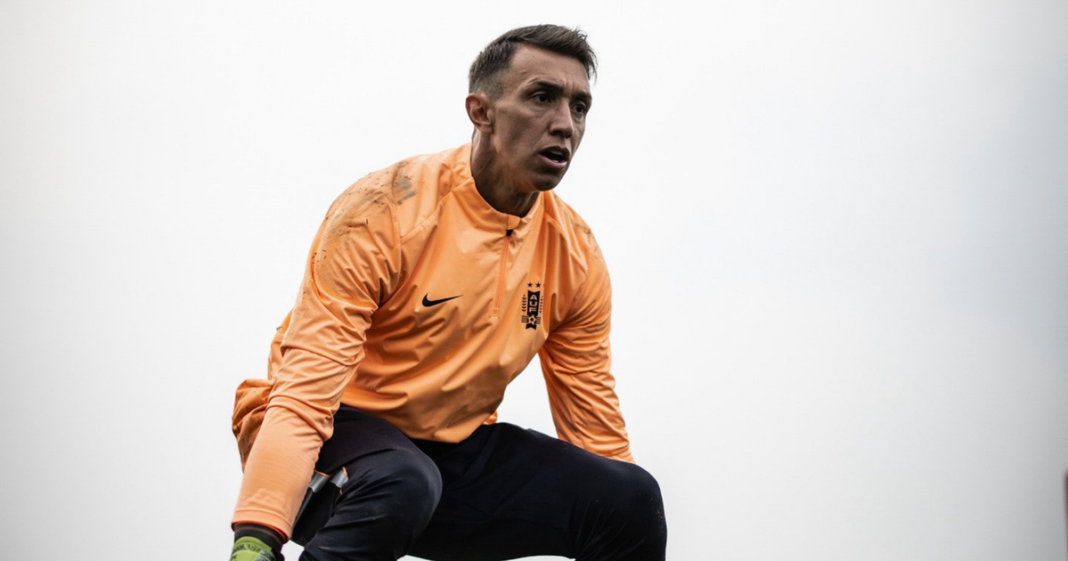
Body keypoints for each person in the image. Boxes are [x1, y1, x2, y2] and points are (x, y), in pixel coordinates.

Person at [228, 24, 667, 561]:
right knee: (402, 480)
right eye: (541, 97)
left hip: (445, 459)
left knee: (629, 498)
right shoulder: (384, 211)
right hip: (320, 444)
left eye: (580, 107)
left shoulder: (574, 254)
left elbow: (595, 431)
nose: (564, 124)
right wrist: (257, 536)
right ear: (481, 112)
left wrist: (622, 502)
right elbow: (305, 394)